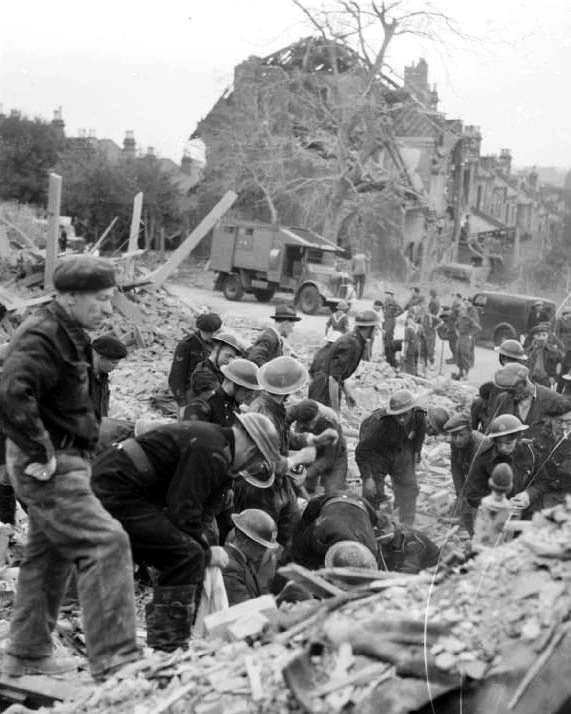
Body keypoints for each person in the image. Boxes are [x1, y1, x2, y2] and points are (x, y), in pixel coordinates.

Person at [0, 255, 140, 680]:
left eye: (110, 298)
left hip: (65, 458)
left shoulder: (66, 332)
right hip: (50, 462)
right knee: (106, 543)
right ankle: (117, 663)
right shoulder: (43, 336)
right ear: (71, 296)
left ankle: (27, 651)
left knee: (49, 555)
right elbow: (8, 392)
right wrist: (40, 450)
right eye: (100, 299)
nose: (107, 308)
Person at [91, 412, 281, 651]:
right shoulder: (210, 451)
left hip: (127, 489)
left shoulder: (219, 451)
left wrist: (205, 546)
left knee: (185, 551)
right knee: (187, 555)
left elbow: (200, 515)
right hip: (115, 488)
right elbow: (183, 512)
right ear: (252, 451)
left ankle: (164, 637)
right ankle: (168, 643)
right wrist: (206, 551)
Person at [357, 390, 426, 525]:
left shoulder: (420, 415)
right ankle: (373, 526)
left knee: (409, 488)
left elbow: (419, 435)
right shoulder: (378, 423)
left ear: (412, 410)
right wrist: (367, 477)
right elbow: (361, 451)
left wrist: (416, 453)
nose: (401, 419)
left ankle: (406, 527)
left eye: (404, 415)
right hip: (377, 454)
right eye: (397, 416)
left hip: (400, 449)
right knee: (373, 493)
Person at [465, 414, 550, 517]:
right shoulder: (483, 459)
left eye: (508, 443)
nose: (503, 448)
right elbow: (472, 496)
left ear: (518, 438)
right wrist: (500, 504)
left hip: (527, 513)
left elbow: (543, 481)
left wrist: (529, 494)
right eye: (499, 443)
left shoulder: (530, 452)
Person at [489, 363, 571, 460]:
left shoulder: (554, 400)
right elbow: (494, 429)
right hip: (509, 459)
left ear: (525, 383)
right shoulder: (502, 399)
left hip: (542, 462)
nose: (509, 394)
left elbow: (563, 433)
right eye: (507, 391)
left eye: (513, 391)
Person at [308, 310, 379, 411]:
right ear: (369, 328)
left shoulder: (356, 340)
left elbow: (339, 374)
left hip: (328, 385)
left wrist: (348, 394)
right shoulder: (351, 344)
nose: (377, 333)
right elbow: (333, 378)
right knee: (325, 421)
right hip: (324, 388)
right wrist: (335, 409)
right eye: (375, 329)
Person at [291, 491, 378, 570]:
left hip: (364, 507)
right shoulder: (319, 535)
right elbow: (297, 555)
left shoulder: (371, 550)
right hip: (326, 501)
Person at [287, 399, 347, 494]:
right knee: (301, 486)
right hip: (309, 444)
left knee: (333, 492)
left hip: (333, 452)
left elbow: (328, 459)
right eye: (306, 424)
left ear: (318, 414)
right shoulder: (295, 411)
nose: (310, 427)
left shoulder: (330, 421)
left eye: (312, 423)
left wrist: (307, 473)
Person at [223, 509, 279, 606]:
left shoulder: (245, 561)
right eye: (262, 547)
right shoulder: (230, 568)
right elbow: (243, 608)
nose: (264, 552)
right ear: (247, 543)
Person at [443, 413, 487, 534]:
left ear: (470, 431)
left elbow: (479, 479)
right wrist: (460, 493)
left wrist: (471, 500)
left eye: (461, 435)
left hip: (486, 484)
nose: (457, 439)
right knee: (465, 508)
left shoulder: (481, 446)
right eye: (453, 435)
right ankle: (471, 534)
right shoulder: (456, 442)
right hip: (472, 481)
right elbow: (456, 467)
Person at [168, 313, 222, 409]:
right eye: (209, 332)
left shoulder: (217, 343)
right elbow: (177, 376)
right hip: (191, 390)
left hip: (211, 388)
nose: (213, 335)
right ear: (201, 330)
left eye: (215, 332)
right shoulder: (187, 345)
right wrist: (181, 403)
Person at [184, 358, 261, 425]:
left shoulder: (234, 406)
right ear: (236, 385)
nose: (251, 396)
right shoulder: (202, 405)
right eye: (248, 391)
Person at [376, 513, 440, 574]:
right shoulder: (387, 539)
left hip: (430, 573)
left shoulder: (411, 540)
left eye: (380, 533)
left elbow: (409, 569)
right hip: (406, 571)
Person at [189, 331, 246, 398]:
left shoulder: (218, 370)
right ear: (217, 349)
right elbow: (218, 398)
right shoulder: (202, 374)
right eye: (228, 356)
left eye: (233, 358)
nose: (230, 361)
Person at [91, 335, 128, 419]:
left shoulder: (102, 377)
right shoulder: (80, 380)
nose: (116, 367)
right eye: (114, 363)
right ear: (101, 357)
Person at [526, 323, 563, 388]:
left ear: (547, 336)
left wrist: (555, 378)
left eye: (544, 335)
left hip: (546, 381)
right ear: (534, 336)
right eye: (539, 335)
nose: (541, 338)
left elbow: (563, 365)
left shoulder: (554, 351)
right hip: (531, 381)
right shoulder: (528, 352)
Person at [453, 304, 480, 380]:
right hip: (460, 337)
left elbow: (477, 328)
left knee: (465, 355)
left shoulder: (469, 319)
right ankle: (460, 372)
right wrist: (457, 332)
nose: (461, 312)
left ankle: (466, 374)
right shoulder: (460, 319)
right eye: (461, 310)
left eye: (463, 310)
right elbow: (455, 325)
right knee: (458, 354)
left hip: (466, 338)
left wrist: (470, 334)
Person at [383, 291, 404, 368]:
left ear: (391, 295)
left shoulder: (394, 302)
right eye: (386, 294)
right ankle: (386, 352)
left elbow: (401, 310)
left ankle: (389, 354)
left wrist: (394, 315)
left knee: (389, 336)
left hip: (391, 320)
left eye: (388, 294)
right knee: (384, 336)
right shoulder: (385, 302)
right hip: (385, 320)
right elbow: (384, 310)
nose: (386, 296)